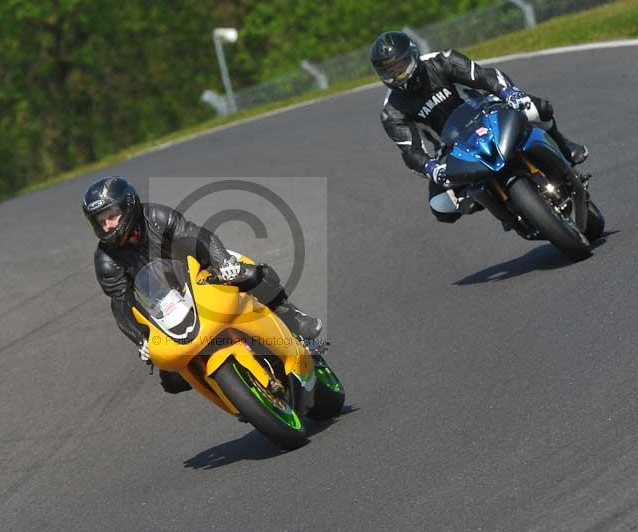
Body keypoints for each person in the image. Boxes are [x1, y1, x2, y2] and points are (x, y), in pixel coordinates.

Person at [82, 176, 322, 393]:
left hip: (203, 269)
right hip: (167, 303)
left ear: (129, 205)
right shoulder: (105, 259)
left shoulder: (154, 216)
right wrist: (141, 339)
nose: (107, 226)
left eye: (111, 216)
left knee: (251, 274)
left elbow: (195, 235)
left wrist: (223, 262)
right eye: (100, 222)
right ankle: (231, 390)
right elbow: (121, 301)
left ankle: (293, 317)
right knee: (171, 380)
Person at [370, 31, 588, 225]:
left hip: (488, 111)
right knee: (441, 206)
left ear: (413, 55)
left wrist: (509, 93)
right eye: (388, 71)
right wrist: (430, 168)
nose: (396, 75)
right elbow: (410, 151)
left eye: (400, 66)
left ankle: (562, 144)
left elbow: (484, 77)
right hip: (450, 146)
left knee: (537, 109)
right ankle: (488, 197)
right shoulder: (391, 112)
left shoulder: (441, 60)